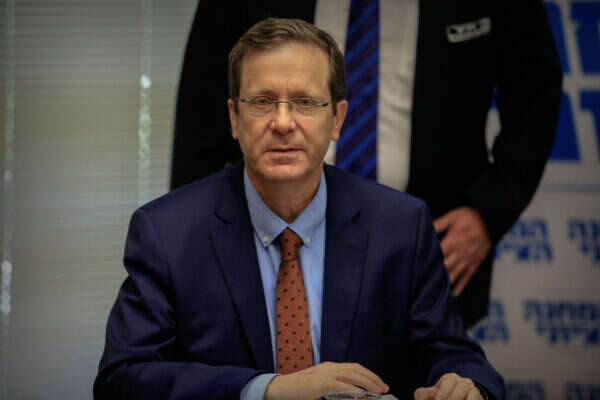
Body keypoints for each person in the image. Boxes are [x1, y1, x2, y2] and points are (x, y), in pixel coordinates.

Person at [95, 18, 504, 400]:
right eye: (262, 102)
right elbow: (122, 378)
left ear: (337, 119)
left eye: (305, 102)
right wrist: (268, 390)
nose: (283, 122)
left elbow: (456, 356)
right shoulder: (168, 233)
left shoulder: (401, 227)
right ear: (234, 118)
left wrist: (467, 387)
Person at [169, 1, 563, 329]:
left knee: (433, 378)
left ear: (339, 117)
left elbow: (536, 97)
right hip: (268, 248)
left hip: (433, 251)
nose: (284, 120)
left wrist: (488, 211)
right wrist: (203, 245)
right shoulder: (159, 234)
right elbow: (200, 121)